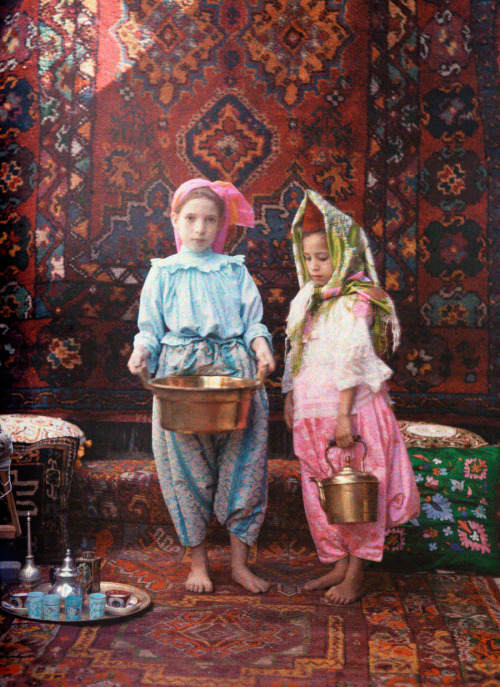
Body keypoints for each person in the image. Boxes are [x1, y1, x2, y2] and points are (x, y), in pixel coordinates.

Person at [127, 178, 275, 594]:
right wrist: (141, 354)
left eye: (210, 220)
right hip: (183, 379)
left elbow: (252, 324)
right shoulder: (163, 274)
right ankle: (198, 564)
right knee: (186, 471)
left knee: (244, 466)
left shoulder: (234, 271)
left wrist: (262, 350)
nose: (199, 229)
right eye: (190, 218)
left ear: (221, 225)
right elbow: (150, 329)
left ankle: (240, 565)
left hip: (234, 373)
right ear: (175, 219)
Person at [282, 190, 420, 604]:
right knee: (325, 489)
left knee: (358, 492)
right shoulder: (308, 299)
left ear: (345, 254)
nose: (316, 266)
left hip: (349, 413)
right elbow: (296, 352)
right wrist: (290, 396)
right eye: (309, 258)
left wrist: (344, 416)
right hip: (312, 410)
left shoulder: (356, 302)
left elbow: (353, 360)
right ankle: (339, 563)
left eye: (324, 257)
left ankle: (356, 573)